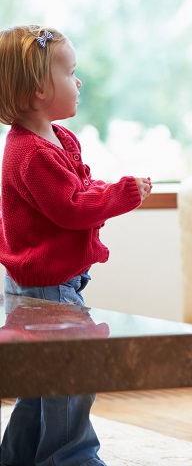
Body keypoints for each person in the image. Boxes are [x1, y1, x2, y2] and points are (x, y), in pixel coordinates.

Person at [0, 24, 152, 466]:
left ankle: (17, 455)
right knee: (71, 373)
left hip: (51, 282)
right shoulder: (29, 153)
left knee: (44, 379)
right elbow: (71, 206)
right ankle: (71, 457)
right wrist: (122, 194)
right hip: (43, 288)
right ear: (35, 93)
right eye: (69, 73)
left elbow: (80, 187)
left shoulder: (61, 138)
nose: (79, 81)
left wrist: (109, 189)